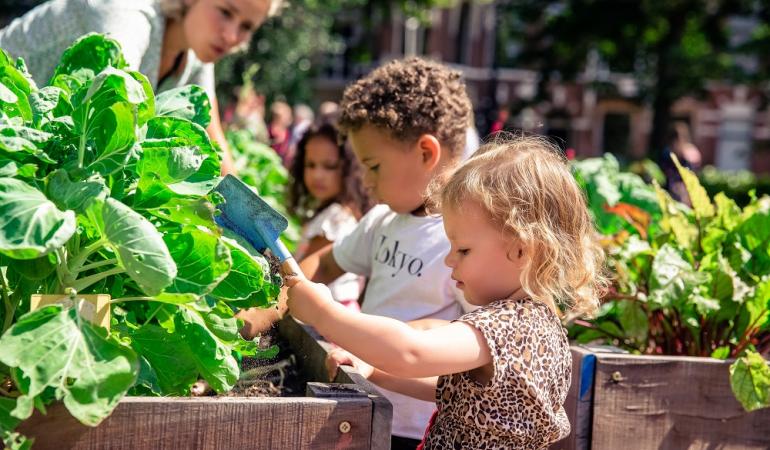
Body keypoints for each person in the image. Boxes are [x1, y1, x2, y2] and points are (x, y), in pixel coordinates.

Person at [285, 135, 607, 449]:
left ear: (521, 251)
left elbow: (411, 352)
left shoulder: (509, 328)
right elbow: (449, 387)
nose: (449, 259)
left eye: (463, 250)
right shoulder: (536, 324)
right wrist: (374, 370)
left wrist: (323, 314)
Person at [0, 0, 277, 175]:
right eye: (226, 11)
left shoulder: (196, 51)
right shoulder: (128, 15)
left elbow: (214, 145)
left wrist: (265, 245)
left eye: (247, 27)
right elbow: (114, 114)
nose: (231, 36)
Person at [288, 123, 373, 310]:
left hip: (326, 316)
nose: (317, 175)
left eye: (330, 166)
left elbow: (306, 274)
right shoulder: (339, 211)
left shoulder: (336, 219)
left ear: (348, 169)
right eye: (310, 165)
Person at [661, 122, 702, 204]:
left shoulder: (688, 157)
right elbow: (665, 179)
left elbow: (692, 179)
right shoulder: (666, 156)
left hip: (684, 197)